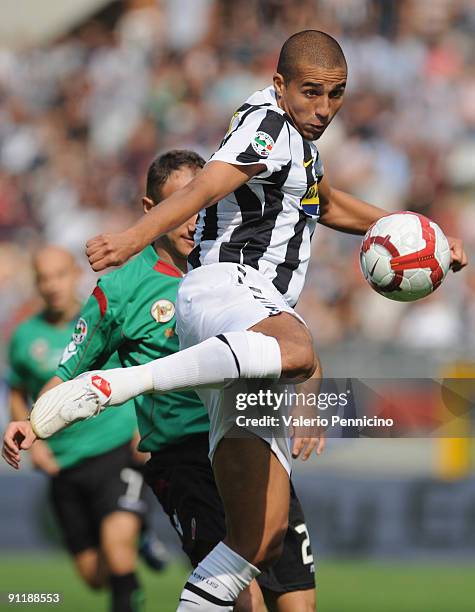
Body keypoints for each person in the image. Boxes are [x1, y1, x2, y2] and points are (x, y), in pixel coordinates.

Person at [7, 30, 467, 611]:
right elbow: (205, 186)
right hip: (227, 291)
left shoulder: (298, 145)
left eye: (337, 95)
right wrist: (131, 239)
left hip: (249, 337)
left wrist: (419, 231)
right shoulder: (268, 124)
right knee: (298, 347)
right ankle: (118, 384)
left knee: (260, 534)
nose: (324, 108)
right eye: (311, 93)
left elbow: (331, 205)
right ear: (280, 85)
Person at [3, 150, 319, 611]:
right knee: (241, 599)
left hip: (252, 437)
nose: (196, 221)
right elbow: (68, 369)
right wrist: (34, 422)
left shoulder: (237, 269)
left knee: (298, 603)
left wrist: (309, 407)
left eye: (203, 206)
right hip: (185, 457)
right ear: (153, 210)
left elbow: (295, 344)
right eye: (183, 208)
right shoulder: (122, 290)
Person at [4, 245, 165, 612]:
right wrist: (36, 440)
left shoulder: (101, 319)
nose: (52, 285)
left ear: (76, 275)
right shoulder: (25, 336)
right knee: (94, 576)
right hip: (65, 465)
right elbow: (17, 390)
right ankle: (138, 539)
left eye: (59, 275)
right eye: (43, 278)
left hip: (115, 450)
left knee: (116, 549)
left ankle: (131, 539)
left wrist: (145, 426)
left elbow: (139, 371)